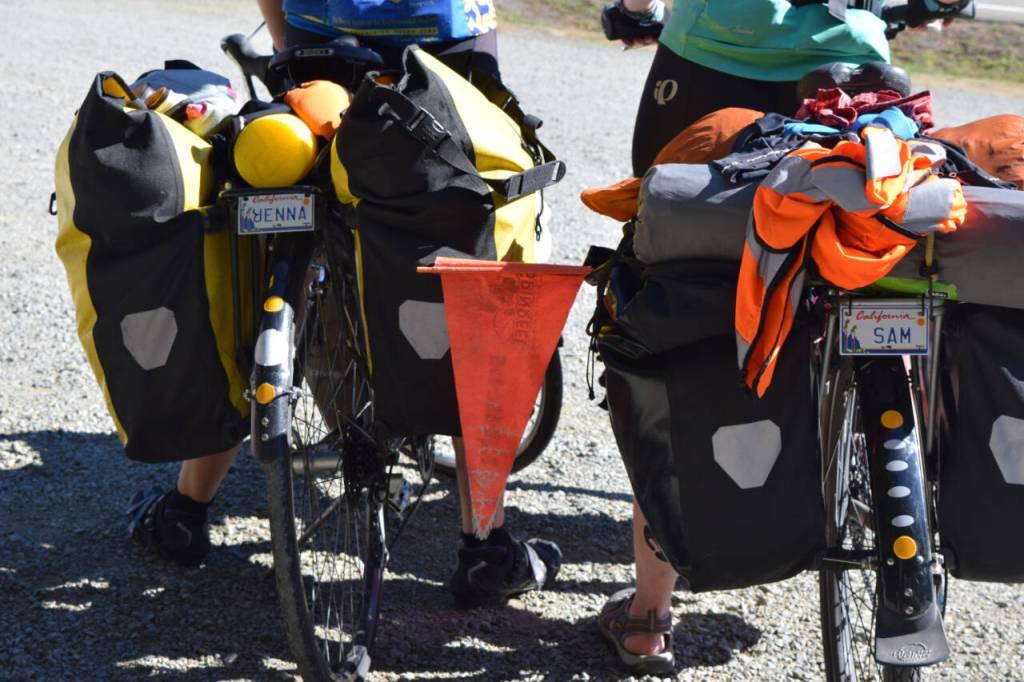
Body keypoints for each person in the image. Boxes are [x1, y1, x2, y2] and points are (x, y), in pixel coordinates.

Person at [129, 0, 562, 613]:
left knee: (284, 248)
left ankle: (187, 507)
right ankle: (485, 545)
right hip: (444, 37)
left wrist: (290, 39)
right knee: (470, 272)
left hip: (318, 40)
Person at [594, 0, 968, 674]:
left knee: (676, 283)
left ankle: (649, 618)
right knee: (879, 243)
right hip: (850, 65)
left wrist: (635, 11)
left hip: (710, 58)